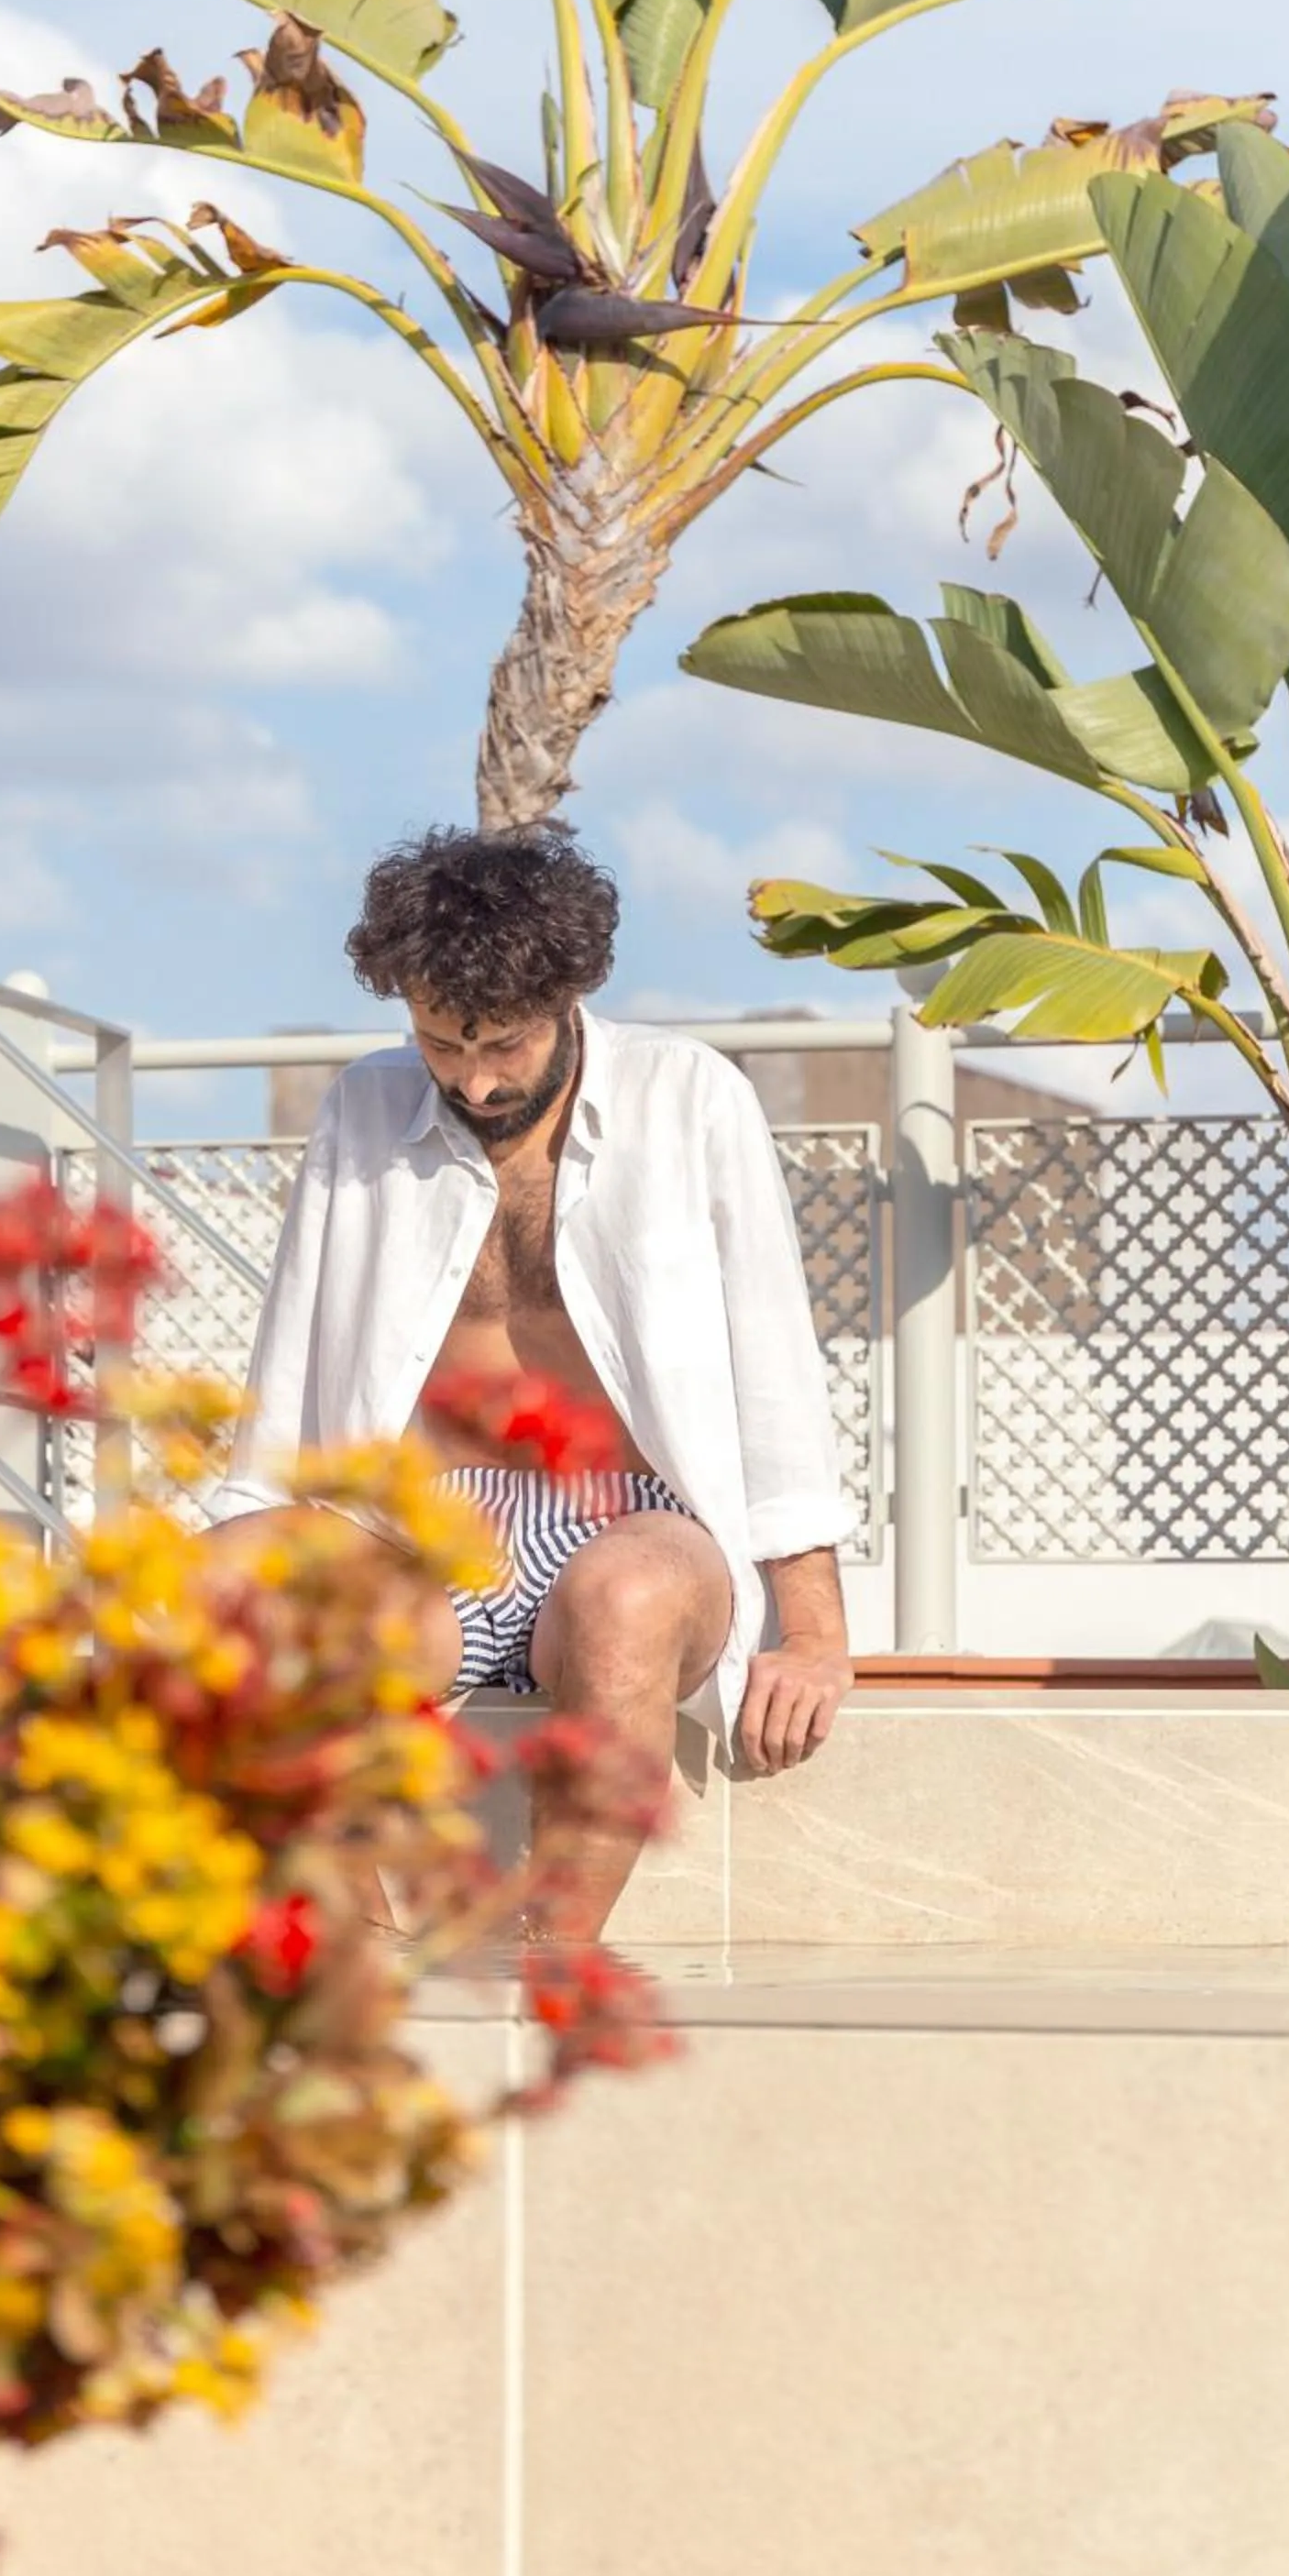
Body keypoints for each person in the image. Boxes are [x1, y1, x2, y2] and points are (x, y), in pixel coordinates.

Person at [204, 827, 854, 1940]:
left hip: (631, 1519)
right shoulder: (363, 1110)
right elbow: (292, 1353)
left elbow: (773, 1360)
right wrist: (254, 1529)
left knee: (629, 1600)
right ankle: (370, 1968)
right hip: (418, 1531)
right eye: (440, 1043)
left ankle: (550, 1967)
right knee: (222, 1585)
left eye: (503, 1043)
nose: (473, 1077)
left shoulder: (690, 1099)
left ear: (569, 994)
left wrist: (814, 1630)